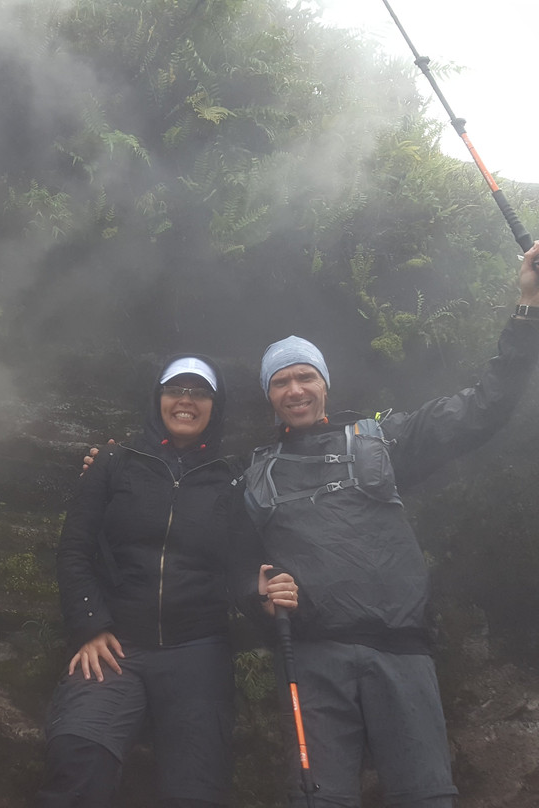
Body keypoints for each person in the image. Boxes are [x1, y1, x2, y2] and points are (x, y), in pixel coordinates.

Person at [245, 240, 539, 808]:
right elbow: (210, 546)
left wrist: (528, 307)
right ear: (268, 396)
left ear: (325, 384)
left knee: (424, 798)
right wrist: (249, 590)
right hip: (311, 656)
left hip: (402, 653)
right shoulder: (255, 474)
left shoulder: (382, 439)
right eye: (281, 382)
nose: (295, 389)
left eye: (306, 376)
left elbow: (484, 407)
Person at [37, 353, 296, 808]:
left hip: (197, 651)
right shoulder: (114, 462)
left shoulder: (232, 479)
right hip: (118, 643)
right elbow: (75, 548)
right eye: (176, 390)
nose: (186, 401)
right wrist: (90, 625)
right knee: (79, 755)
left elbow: (238, 567)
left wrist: (258, 596)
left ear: (215, 407)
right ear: (157, 398)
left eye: (200, 393)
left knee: (196, 786)